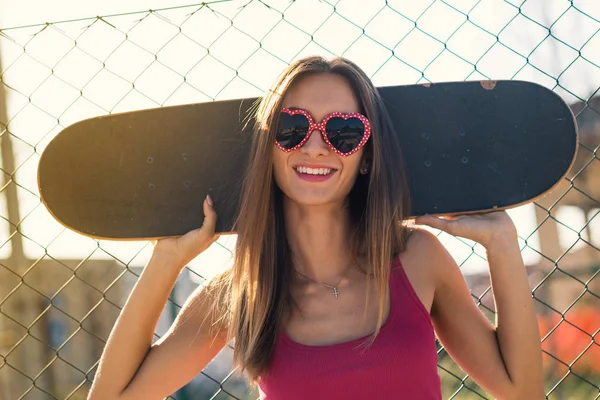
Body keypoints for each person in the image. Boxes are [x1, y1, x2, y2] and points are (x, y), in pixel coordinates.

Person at [87, 56, 544, 400]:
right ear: (269, 147)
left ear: (366, 156)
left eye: (344, 131)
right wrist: (166, 259)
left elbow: (520, 391)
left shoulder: (417, 259)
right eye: (292, 127)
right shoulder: (242, 292)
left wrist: (502, 244)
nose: (316, 146)